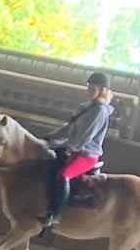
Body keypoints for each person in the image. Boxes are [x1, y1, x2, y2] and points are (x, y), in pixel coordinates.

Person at [40, 71, 115, 228]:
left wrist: (68, 147)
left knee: (64, 175)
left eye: (93, 87)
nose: (89, 90)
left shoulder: (100, 111)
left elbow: (85, 136)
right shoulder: (85, 107)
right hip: (74, 150)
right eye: (88, 86)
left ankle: (55, 215)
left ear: (102, 90)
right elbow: (69, 128)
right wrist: (51, 138)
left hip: (87, 155)